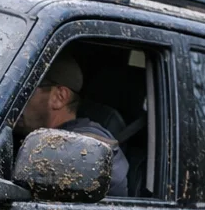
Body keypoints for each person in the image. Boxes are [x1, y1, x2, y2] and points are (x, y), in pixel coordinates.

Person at [17, 55, 129, 197]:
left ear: (59, 97)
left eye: (26, 90)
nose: (17, 100)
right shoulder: (32, 137)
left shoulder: (87, 147)